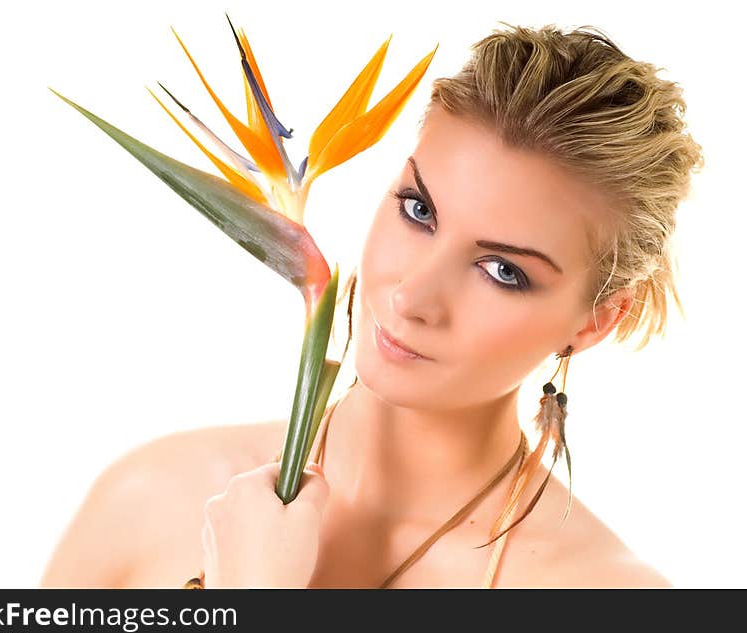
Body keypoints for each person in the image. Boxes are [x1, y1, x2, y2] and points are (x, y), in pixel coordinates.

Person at [40, 22, 703, 588]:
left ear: (596, 319)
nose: (412, 295)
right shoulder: (155, 494)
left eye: (502, 270)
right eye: (419, 210)